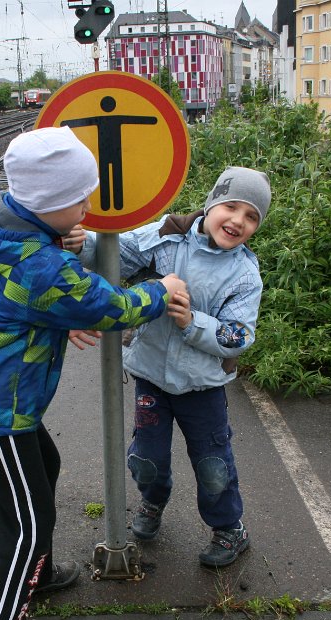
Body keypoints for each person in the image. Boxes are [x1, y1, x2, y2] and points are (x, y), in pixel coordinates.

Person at [0, 126, 186, 620]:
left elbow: (36, 279)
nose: (89, 206)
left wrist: (60, 247)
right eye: (81, 198)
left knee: (43, 469)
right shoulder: (42, 269)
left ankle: (35, 576)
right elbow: (108, 307)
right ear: (49, 204)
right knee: (27, 519)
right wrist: (161, 290)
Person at [73, 166, 268, 570]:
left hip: (203, 388)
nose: (237, 221)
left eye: (251, 216)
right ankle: (151, 503)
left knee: (214, 467)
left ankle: (230, 528)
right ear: (212, 203)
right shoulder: (167, 234)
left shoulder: (245, 274)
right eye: (231, 207)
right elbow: (116, 253)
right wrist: (81, 242)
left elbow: (239, 335)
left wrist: (190, 321)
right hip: (152, 378)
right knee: (147, 460)